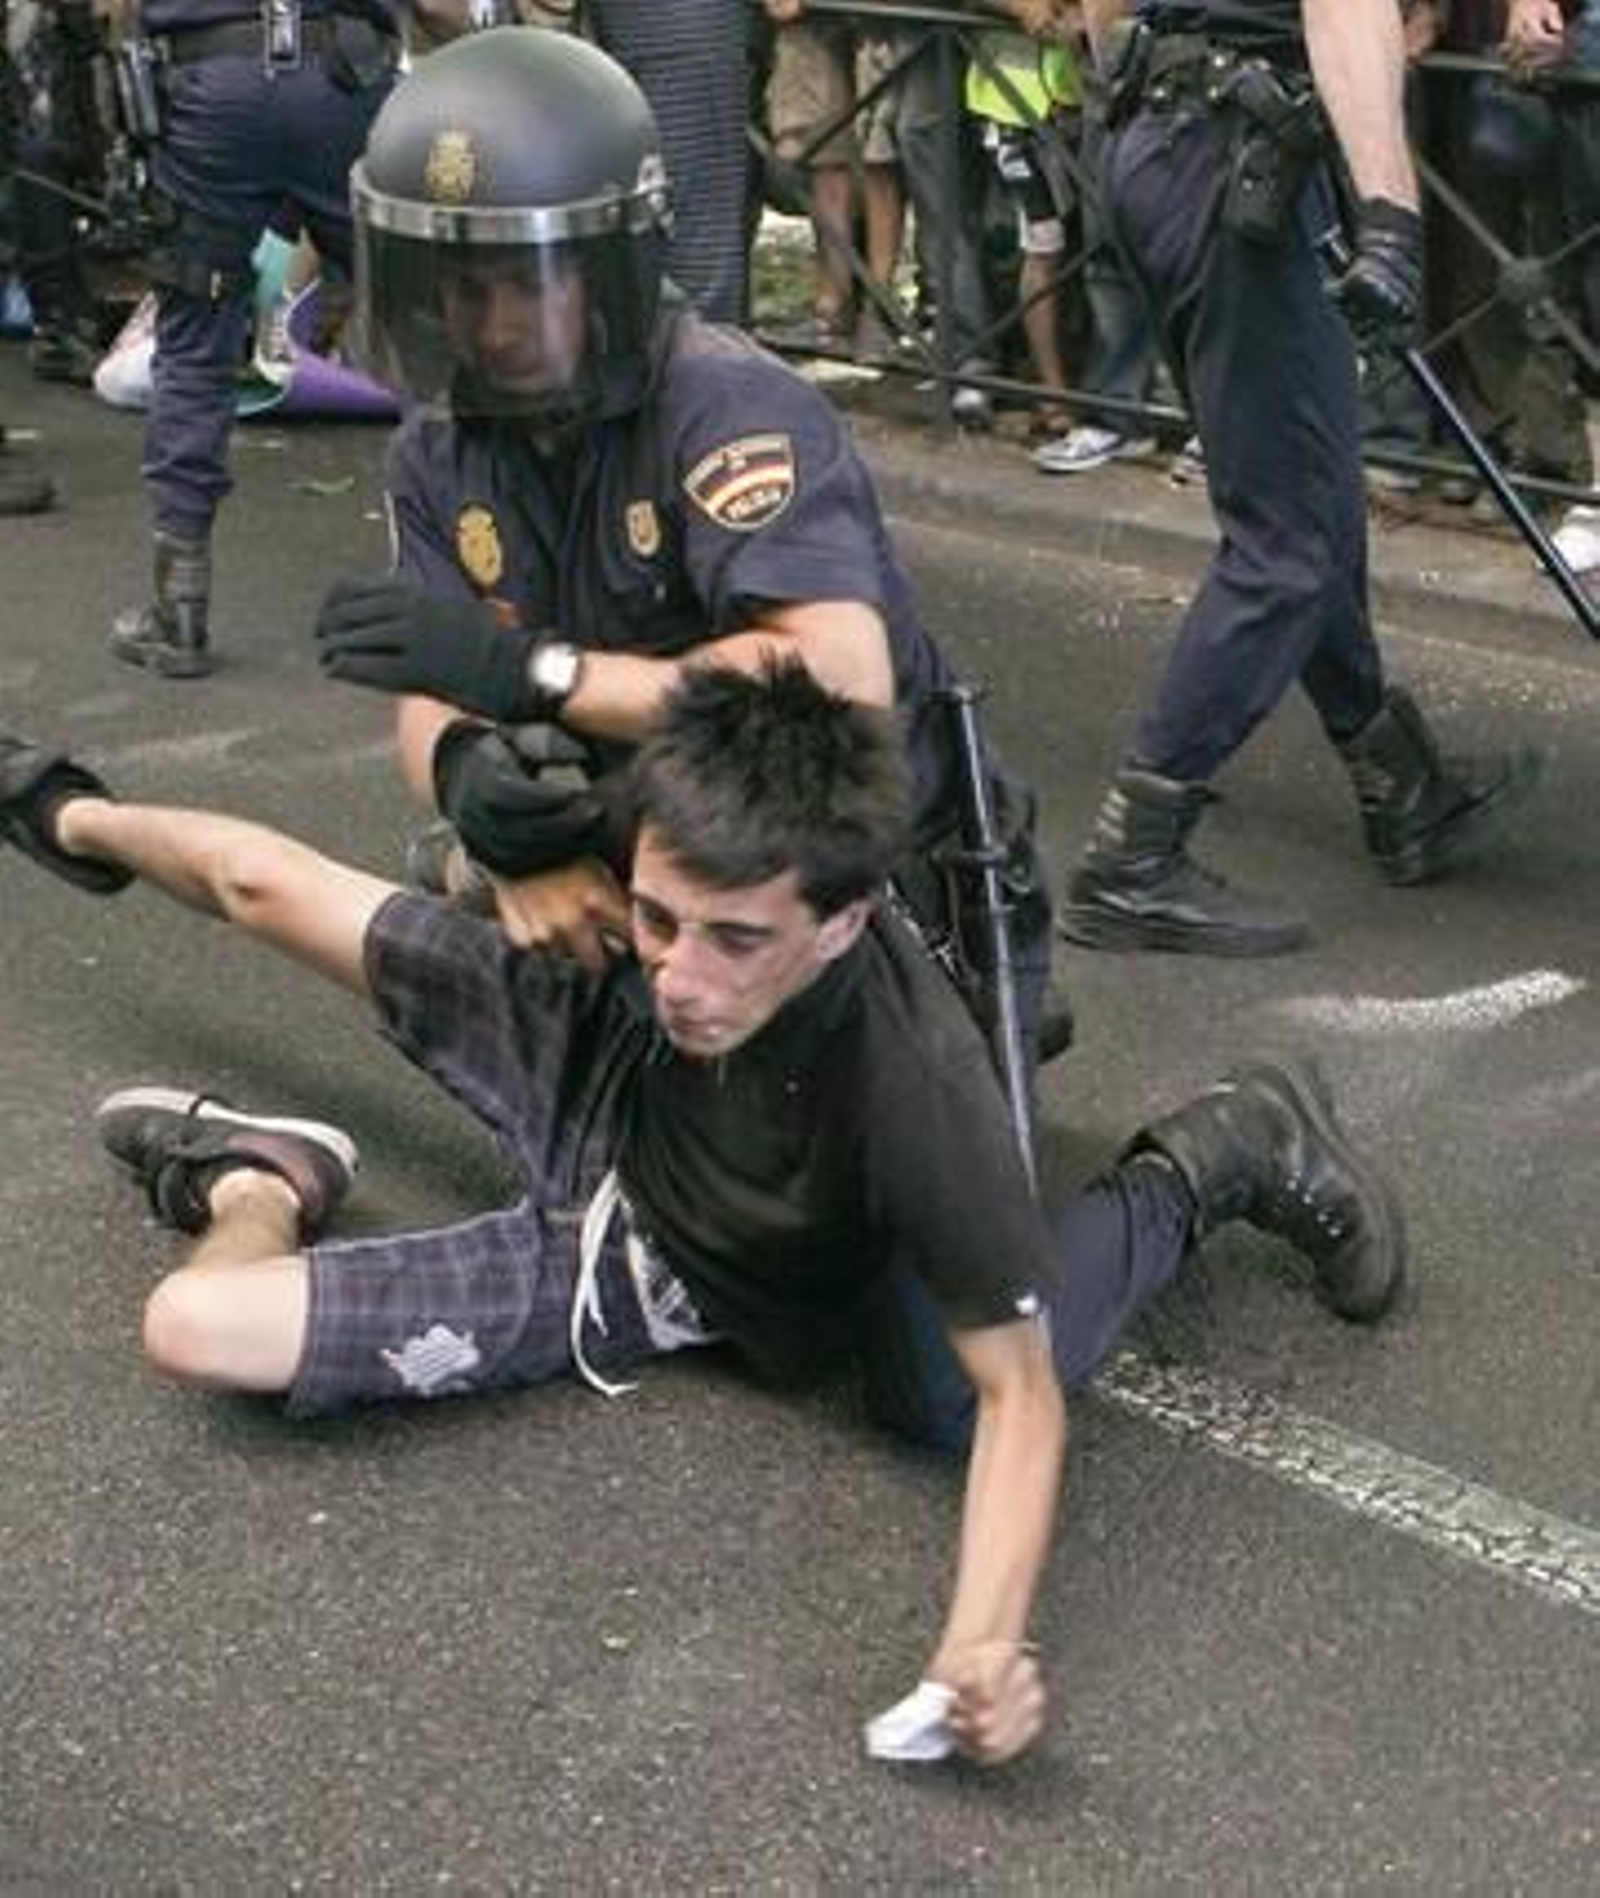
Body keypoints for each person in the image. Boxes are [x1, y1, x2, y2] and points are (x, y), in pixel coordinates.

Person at [0, 657, 1405, 1766]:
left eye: (739, 939)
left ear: (846, 920)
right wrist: (67, 810)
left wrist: (979, 1646)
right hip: (593, 1065)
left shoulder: (914, 1089)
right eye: (665, 917)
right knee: (272, 885)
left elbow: (1022, 1399)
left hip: (651, 1259)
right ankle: (188, 1035)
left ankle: (1216, 1152)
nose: (687, 972)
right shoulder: (652, 900)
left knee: (194, 1323)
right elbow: (373, 752)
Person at [309, 27, 1057, 1055]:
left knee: (866, 1179)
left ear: (606, 268)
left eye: (525, 283)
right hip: (660, 818)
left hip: (855, 847)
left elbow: (835, 680)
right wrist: (465, 778)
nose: (489, 325)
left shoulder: (728, 405)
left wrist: (536, 671)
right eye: (461, 285)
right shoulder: (438, 448)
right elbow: (429, 675)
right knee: (468, 892)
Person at [1062, 0, 1546, 956]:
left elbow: (1102, 13)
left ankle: (1399, 779)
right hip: (1241, 158)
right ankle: (1131, 855)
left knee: (1302, 494)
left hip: (1157, 140)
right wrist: (1392, 219)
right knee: (1290, 542)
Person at [106, 0, 400, 680]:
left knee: (195, 341)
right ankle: (475, 572)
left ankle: (179, 602)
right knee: (418, 327)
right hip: (345, 81)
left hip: (213, 87)